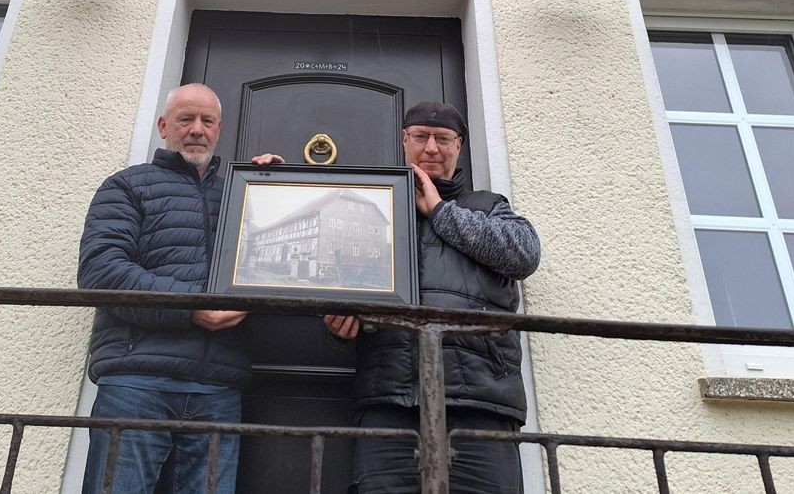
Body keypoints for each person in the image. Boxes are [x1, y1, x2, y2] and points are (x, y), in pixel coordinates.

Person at [325, 100, 541, 494]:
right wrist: (343, 327)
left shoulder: (489, 206)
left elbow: (524, 255)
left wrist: (439, 211)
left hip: (479, 403)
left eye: (443, 139)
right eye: (421, 137)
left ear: (459, 146)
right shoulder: (370, 208)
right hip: (389, 401)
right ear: (404, 141)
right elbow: (337, 280)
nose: (431, 149)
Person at [78, 83, 280, 494]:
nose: (197, 130)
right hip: (136, 383)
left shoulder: (243, 193)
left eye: (207, 121)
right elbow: (101, 272)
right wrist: (190, 308)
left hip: (218, 388)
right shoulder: (126, 186)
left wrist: (277, 185)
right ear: (163, 126)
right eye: (186, 119)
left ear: (219, 128)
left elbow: (281, 257)